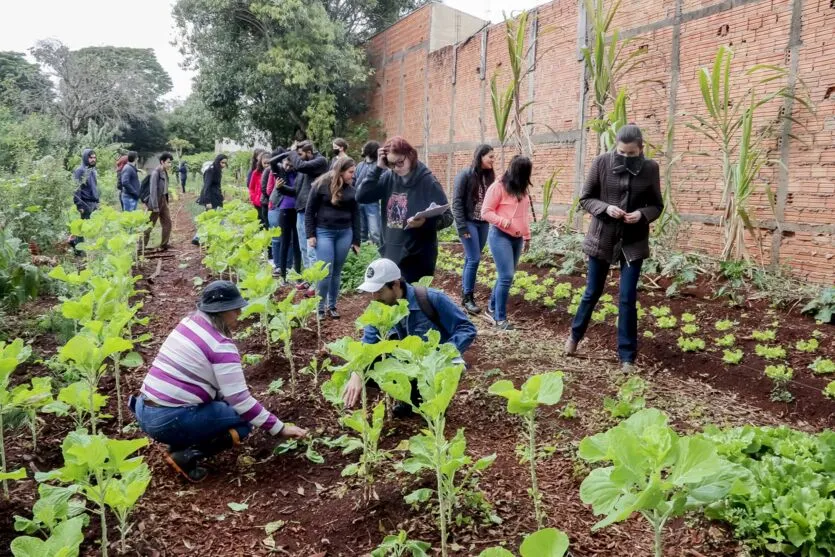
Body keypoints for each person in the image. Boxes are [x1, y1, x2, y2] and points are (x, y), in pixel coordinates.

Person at [130, 280, 308, 482]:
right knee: (244, 420)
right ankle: (186, 456)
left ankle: (179, 443)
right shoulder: (220, 345)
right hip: (168, 419)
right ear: (221, 312)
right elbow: (241, 402)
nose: (239, 315)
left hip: (144, 410)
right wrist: (280, 428)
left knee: (224, 407)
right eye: (235, 310)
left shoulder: (188, 323)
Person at [564, 124, 663, 371]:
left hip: (633, 241)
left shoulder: (651, 168)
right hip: (603, 237)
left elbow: (657, 205)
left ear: (641, 148)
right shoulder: (601, 163)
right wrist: (606, 208)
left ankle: (627, 357)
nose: (626, 157)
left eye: (631, 153)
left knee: (628, 298)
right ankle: (575, 337)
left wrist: (641, 214)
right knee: (592, 291)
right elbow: (586, 198)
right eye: (622, 152)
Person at [343, 258, 477, 417]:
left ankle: (432, 399)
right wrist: (356, 374)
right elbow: (367, 344)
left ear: (395, 284)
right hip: (406, 366)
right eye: (371, 292)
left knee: (431, 412)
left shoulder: (431, 299)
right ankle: (408, 398)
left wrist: (443, 353)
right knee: (363, 368)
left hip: (433, 368)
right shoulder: (379, 309)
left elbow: (467, 328)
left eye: (379, 291)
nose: (374, 297)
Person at [355, 136, 453, 283]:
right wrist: (377, 168)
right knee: (393, 303)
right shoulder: (388, 177)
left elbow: (448, 217)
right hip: (391, 253)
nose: (397, 168)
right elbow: (361, 196)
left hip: (418, 257)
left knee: (414, 301)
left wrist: (425, 222)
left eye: (400, 162)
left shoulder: (427, 181)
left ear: (410, 155)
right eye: (391, 164)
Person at [481, 155, 534, 331]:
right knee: (506, 276)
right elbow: (486, 212)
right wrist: (503, 222)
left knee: (505, 275)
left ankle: (491, 307)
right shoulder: (498, 187)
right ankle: (499, 319)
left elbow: (524, 215)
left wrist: (527, 236)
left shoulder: (522, 189)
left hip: (517, 238)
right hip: (500, 235)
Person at [305, 158, 361, 318]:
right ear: (340, 171)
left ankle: (333, 305)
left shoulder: (351, 189)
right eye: (350, 172)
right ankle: (320, 307)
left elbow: (356, 215)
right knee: (325, 271)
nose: (353, 175)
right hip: (324, 232)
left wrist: (356, 240)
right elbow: (309, 212)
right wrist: (310, 235)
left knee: (336, 272)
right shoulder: (320, 185)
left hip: (344, 233)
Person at [453, 144, 495, 315]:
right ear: (480, 157)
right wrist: (462, 227)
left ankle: (465, 293)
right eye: (490, 157)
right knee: (474, 258)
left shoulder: (490, 177)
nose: (493, 160)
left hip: (483, 223)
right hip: (469, 222)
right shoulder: (465, 175)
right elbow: (456, 202)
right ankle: (468, 298)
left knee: (471, 259)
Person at [288, 141, 329, 268]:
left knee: (311, 248)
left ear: (309, 153)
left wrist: (292, 152)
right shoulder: (304, 165)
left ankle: (315, 282)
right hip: (301, 209)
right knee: (303, 248)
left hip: (311, 210)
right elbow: (296, 189)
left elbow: (300, 165)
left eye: (300, 154)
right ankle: (308, 278)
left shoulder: (321, 161)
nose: (298, 157)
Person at [268, 151, 302, 282]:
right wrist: (288, 153)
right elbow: (272, 161)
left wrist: (295, 158)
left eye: (291, 164)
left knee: (297, 243)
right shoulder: (281, 171)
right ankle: (283, 275)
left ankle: (298, 274)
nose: (288, 167)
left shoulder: (299, 172)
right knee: (285, 242)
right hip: (284, 210)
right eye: (286, 164)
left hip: (297, 209)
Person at [69, 148, 99, 255]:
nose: (93, 159)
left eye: (94, 157)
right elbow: (76, 189)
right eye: (90, 157)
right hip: (85, 203)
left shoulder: (92, 170)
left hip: (93, 203)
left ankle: (82, 246)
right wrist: (79, 204)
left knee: (91, 228)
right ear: (86, 158)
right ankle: (79, 250)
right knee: (82, 228)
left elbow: (94, 187)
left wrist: (97, 201)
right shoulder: (80, 171)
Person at [193, 154, 228, 246]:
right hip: (211, 197)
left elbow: (217, 186)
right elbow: (206, 186)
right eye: (222, 162)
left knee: (217, 217)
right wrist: (207, 201)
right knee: (212, 218)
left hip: (216, 197)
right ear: (217, 161)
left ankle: (207, 237)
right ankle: (198, 237)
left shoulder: (217, 170)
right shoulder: (211, 171)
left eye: (225, 163)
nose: (223, 165)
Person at [353, 140, 382, 246]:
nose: (362, 149)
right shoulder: (360, 165)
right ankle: (362, 256)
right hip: (358, 202)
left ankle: (379, 255)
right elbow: (353, 180)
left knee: (375, 232)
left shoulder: (378, 166)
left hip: (372, 202)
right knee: (361, 232)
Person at [144, 152, 174, 250]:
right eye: (168, 162)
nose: (170, 165)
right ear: (162, 162)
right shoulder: (155, 173)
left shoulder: (164, 172)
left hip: (163, 200)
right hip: (155, 201)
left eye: (171, 163)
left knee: (167, 223)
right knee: (149, 224)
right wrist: (155, 206)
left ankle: (164, 244)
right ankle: (141, 247)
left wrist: (165, 200)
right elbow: (153, 191)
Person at [248, 150, 269, 227]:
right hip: (258, 201)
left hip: (268, 202)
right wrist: (254, 198)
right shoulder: (256, 173)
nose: (266, 165)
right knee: (261, 221)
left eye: (268, 163)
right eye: (265, 163)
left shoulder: (272, 172)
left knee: (267, 222)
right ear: (261, 162)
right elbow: (251, 187)